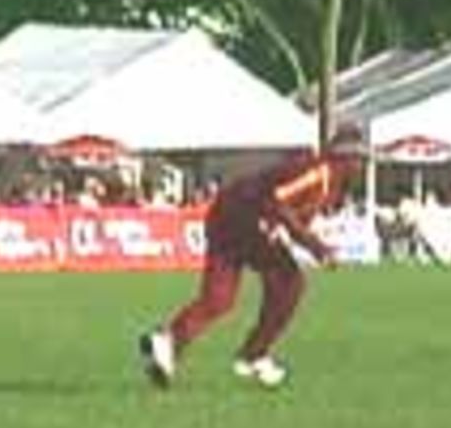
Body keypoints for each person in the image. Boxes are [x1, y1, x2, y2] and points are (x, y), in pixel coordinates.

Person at [138, 123, 368, 389]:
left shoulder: (327, 180)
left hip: (226, 215)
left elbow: (283, 210)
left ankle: (167, 342)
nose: (361, 167)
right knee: (290, 282)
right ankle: (254, 354)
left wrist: (298, 238)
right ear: (345, 158)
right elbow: (274, 201)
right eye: (359, 160)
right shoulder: (319, 173)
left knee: (219, 299)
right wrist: (313, 245)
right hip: (244, 219)